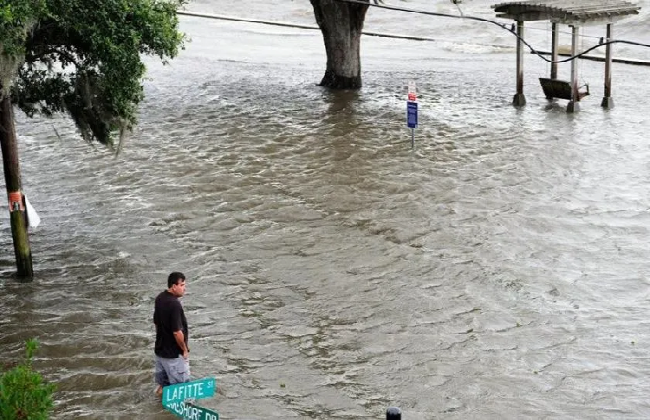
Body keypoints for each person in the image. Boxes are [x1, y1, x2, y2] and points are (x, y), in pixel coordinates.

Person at [153, 272, 190, 397]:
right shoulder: (174, 304)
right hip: (173, 356)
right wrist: (184, 349)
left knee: (163, 387)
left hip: (160, 353)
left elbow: (156, 323)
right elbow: (177, 332)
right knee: (181, 391)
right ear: (174, 286)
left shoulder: (159, 298)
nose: (184, 288)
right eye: (182, 285)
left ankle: (157, 411)